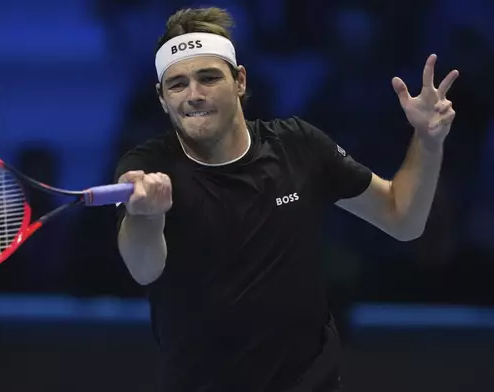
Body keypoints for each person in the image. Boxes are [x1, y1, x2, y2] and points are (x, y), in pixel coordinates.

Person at [113, 7, 458, 392]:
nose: (193, 95)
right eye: (176, 85)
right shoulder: (146, 165)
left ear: (239, 80)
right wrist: (146, 215)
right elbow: (144, 267)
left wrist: (428, 141)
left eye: (208, 78)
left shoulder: (299, 144)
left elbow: (403, 219)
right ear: (162, 98)